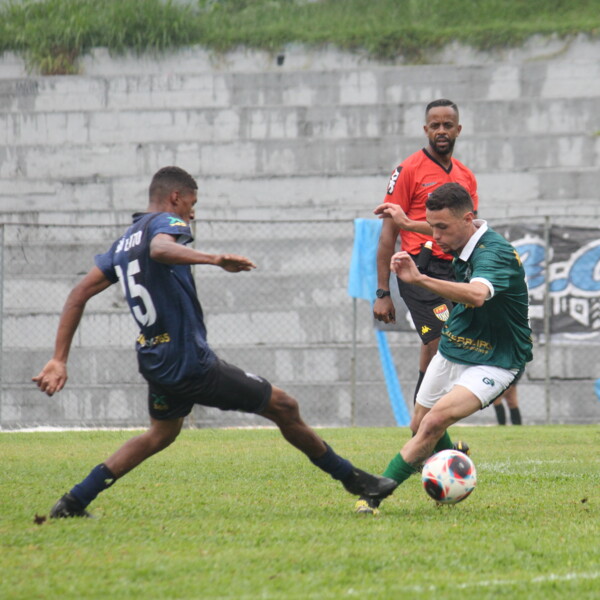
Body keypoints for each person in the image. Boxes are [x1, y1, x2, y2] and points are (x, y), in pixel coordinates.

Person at [33, 166, 396, 518]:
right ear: (176, 198)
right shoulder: (165, 223)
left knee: (160, 434)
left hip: (156, 358)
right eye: (192, 204)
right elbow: (161, 249)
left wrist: (58, 358)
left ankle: (74, 500)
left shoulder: (124, 241)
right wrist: (214, 258)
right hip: (188, 362)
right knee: (284, 406)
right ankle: (355, 480)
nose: (192, 214)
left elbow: (78, 293)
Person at [356, 183, 533, 514]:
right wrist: (408, 224)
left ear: (468, 219)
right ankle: (455, 458)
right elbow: (443, 226)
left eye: (441, 228)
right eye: (432, 226)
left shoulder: (493, 253)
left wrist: (419, 279)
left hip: (496, 358)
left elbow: (478, 294)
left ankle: (374, 493)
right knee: (418, 425)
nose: (435, 236)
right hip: (455, 345)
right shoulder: (462, 235)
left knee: (434, 422)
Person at [372, 100, 477, 441]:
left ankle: (422, 428)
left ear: (458, 129)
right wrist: (382, 292)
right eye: (435, 125)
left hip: (453, 272)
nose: (441, 131)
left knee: (437, 347)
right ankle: (430, 436)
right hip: (418, 268)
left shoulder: (465, 176)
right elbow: (389, 233)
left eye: (448, 125)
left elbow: (468, 228)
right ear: (425, 129)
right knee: (442, 341)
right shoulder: (409, 170)